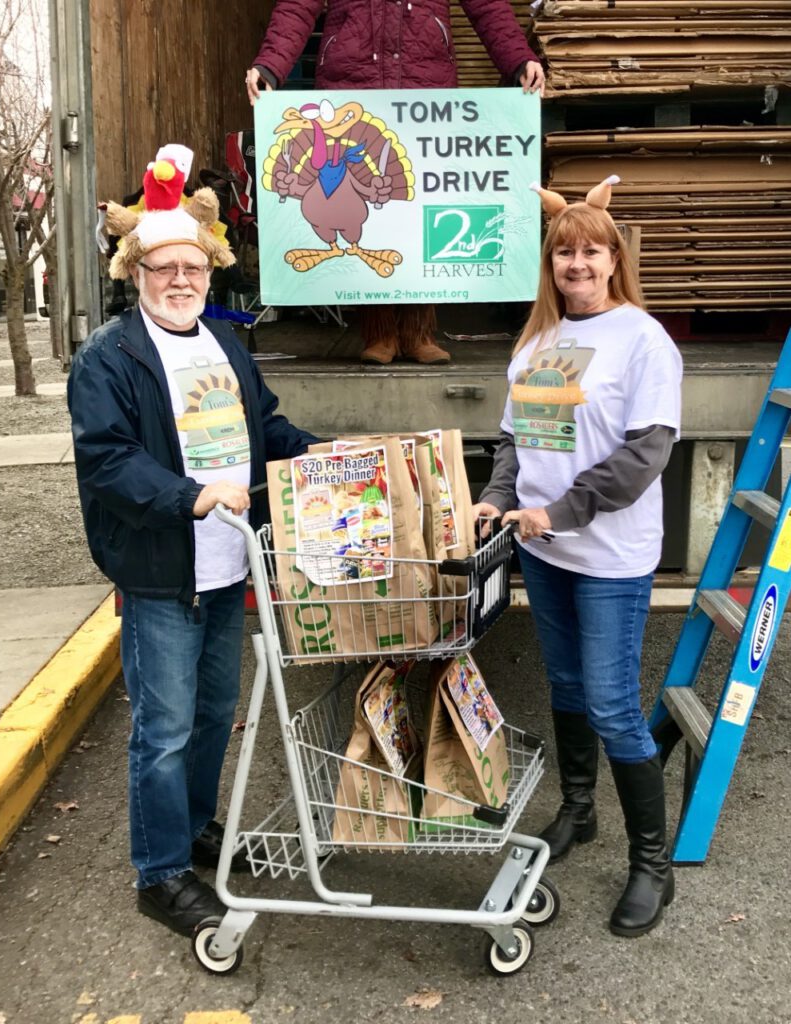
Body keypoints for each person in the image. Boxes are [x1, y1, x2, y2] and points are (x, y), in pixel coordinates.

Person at [68, 147, 318, 939]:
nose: (180, 280)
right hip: (161, 572)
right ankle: (160, 872)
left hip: (226, 565)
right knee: (165, 729)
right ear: (135, 272)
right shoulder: (107, 358)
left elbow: (263, 427)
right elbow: (108, 461)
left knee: (214, 714)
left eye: (193, 267)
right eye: (162, 267)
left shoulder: (224, 345)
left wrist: (316, 456)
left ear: (211, 272)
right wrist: (190, 494)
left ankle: (196, 828)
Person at [473, 175, 683, 938]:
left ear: (613, 258)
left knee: (611, 706)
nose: (578, 264)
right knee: (564, 685)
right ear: (550, 263)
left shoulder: (642, 339)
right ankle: (579, 810)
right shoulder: (538, 338)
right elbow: (513, 440)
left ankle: (650, 866)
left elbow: (643, 455)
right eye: (565, 252)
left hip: (608, 555)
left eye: (591, 251)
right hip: (543, 549)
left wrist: (557, 513)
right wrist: (498, 497)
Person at [245, 0, 545, 367]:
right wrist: (270, 66)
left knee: (417, 214)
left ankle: (420, 333)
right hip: (352, 88)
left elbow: (487, 7)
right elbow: (297, 6)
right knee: (367, 216)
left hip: (427, 90)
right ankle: (379, 332)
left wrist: (518, 59)